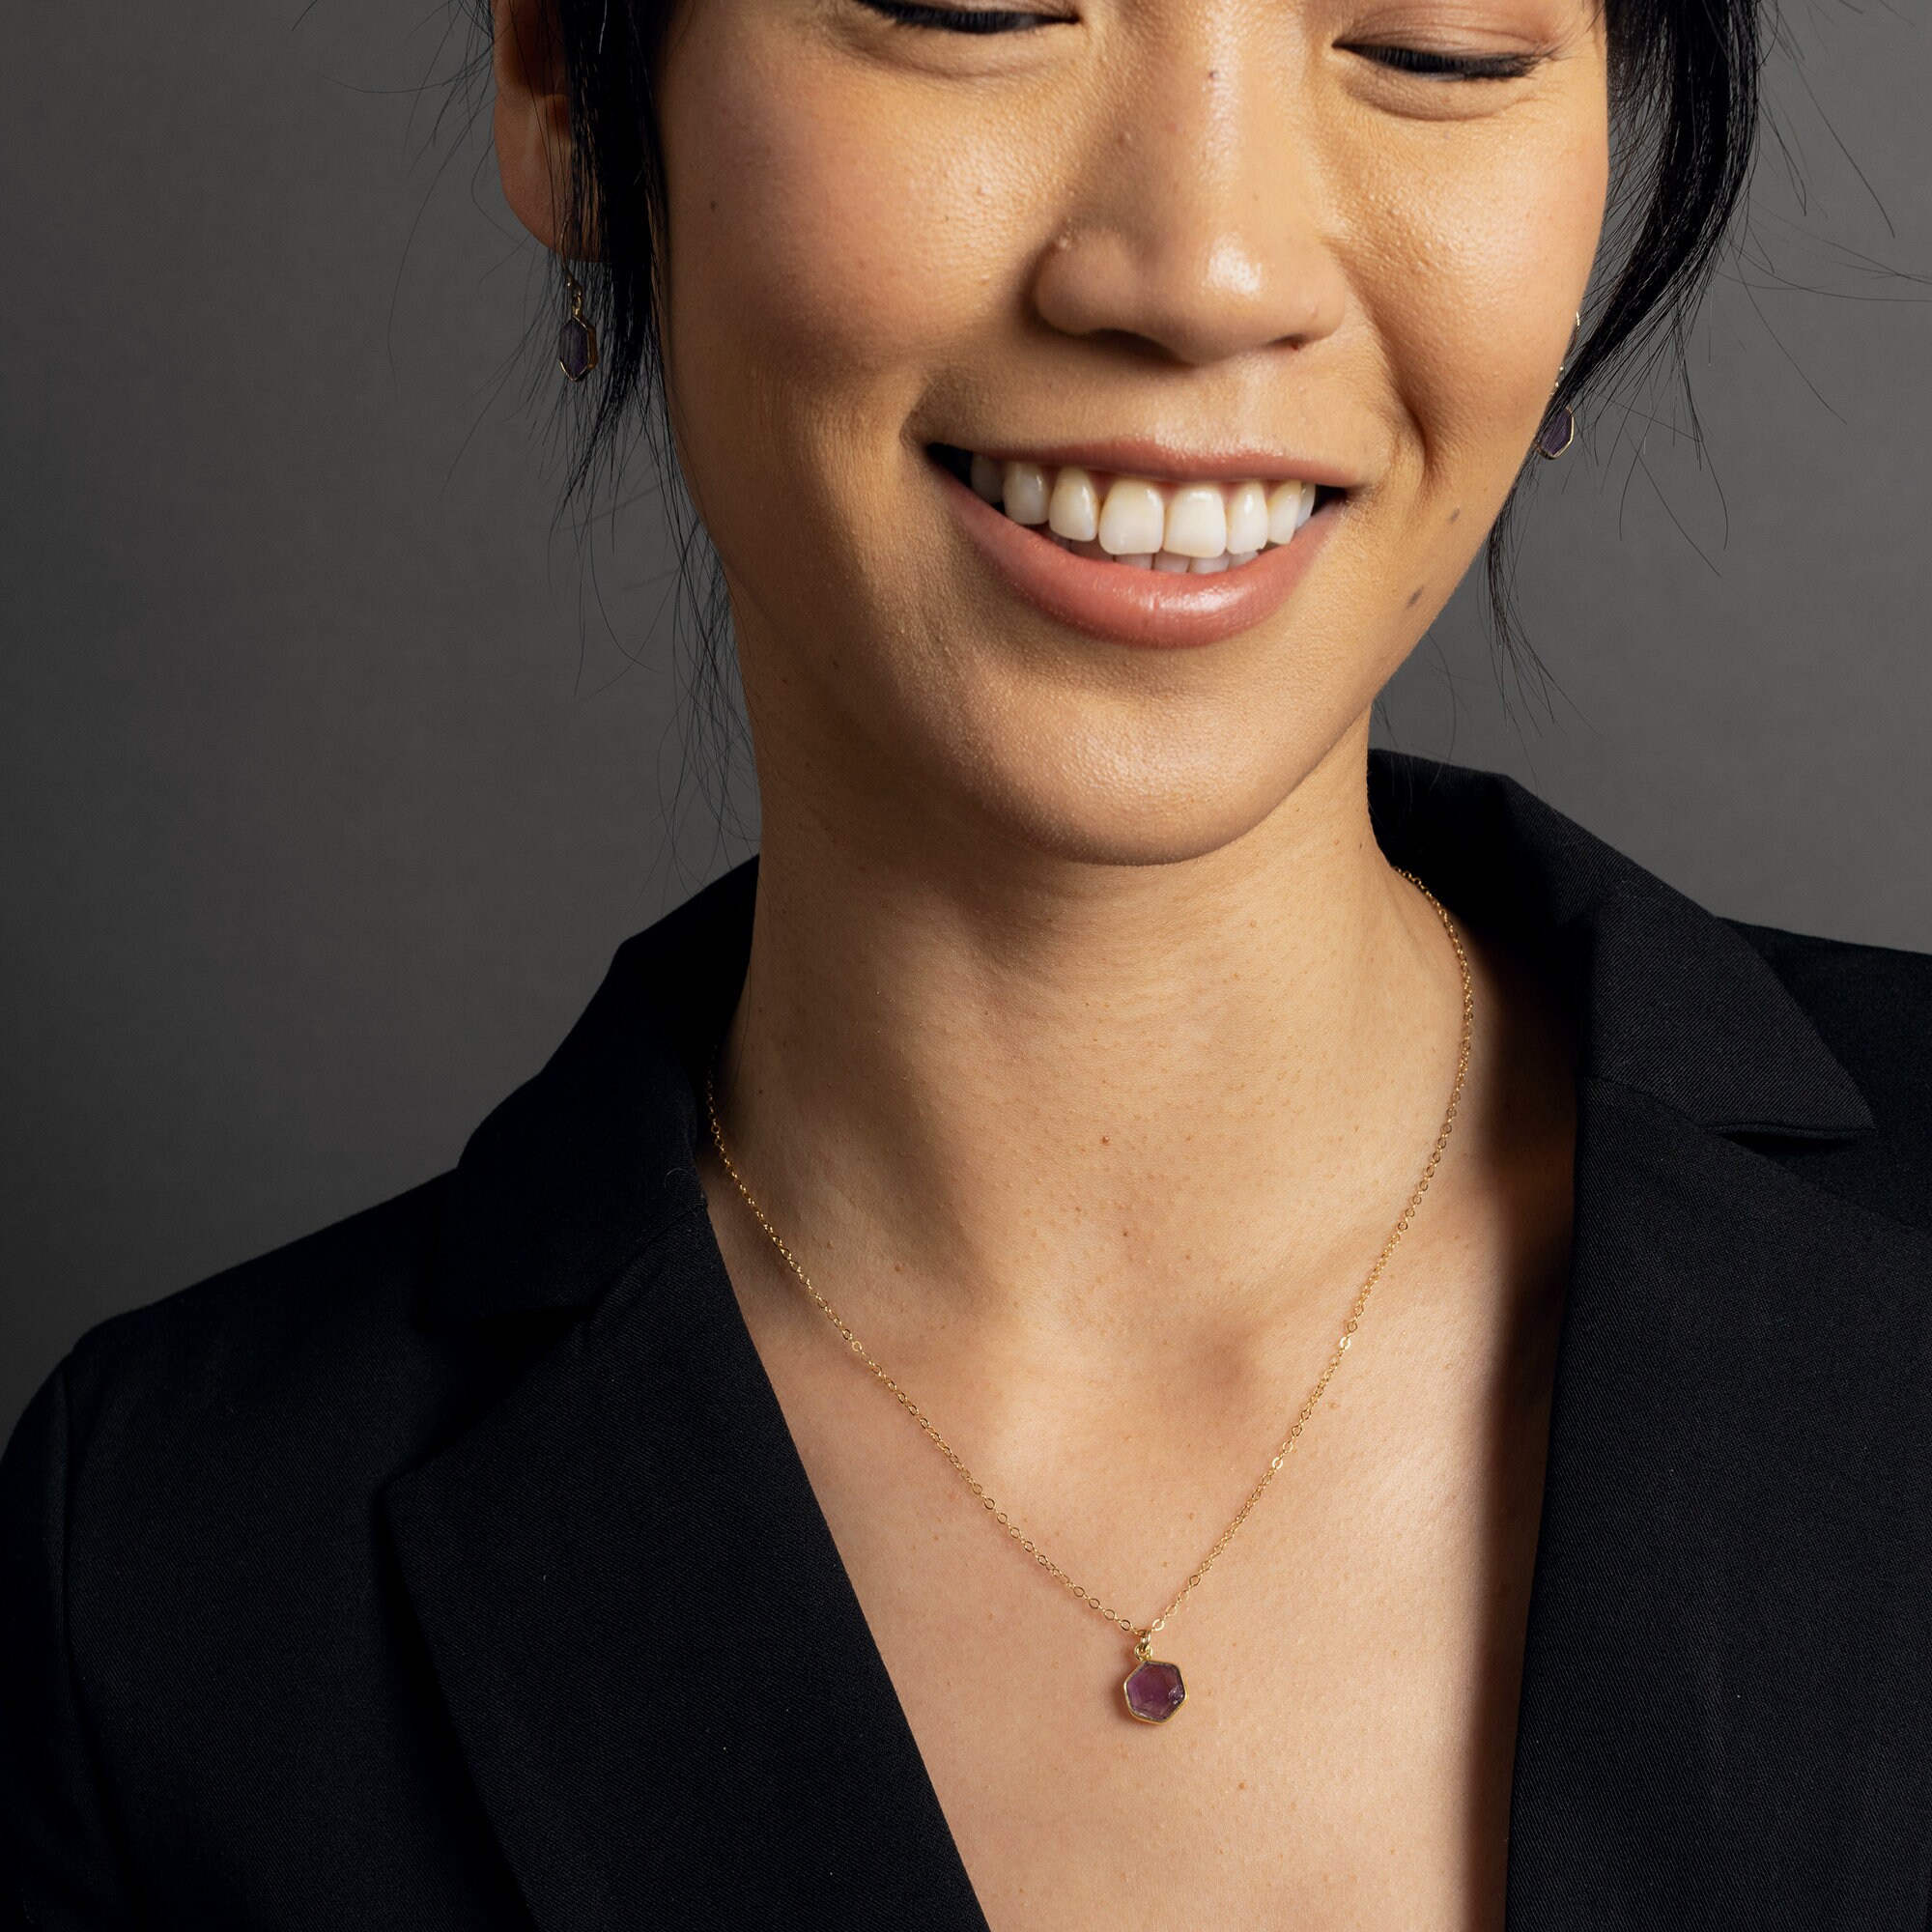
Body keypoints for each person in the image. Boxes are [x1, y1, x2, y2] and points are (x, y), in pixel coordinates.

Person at [3, 0, 1928, 1920]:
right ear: (563, 86)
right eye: (974, 5)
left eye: (1437, 43)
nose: (1209, 273)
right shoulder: (164, 1594)